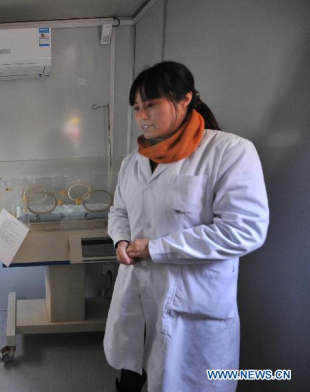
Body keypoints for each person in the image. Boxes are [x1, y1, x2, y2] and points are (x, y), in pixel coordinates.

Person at [104, 61, 269, 392]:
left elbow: (245, 229)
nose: (142, 116)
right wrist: (121, 240)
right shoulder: (133, 162)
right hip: (136, 301)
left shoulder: (229, 152)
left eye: (152, 104)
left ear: (185, 100)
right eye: (137, 107)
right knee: (132, 379)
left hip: (192, 309)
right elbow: (119, 210)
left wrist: (157, 248)